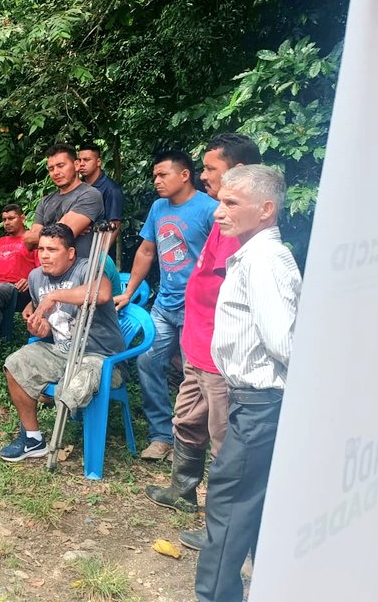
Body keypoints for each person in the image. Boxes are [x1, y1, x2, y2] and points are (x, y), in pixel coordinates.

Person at [142, 135, 261, 542]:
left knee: (224, 437)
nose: (206, 174)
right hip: (196, 341)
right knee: (188, 419)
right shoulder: (222, 217)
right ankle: (182, 490)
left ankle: (224, 529)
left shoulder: (243, 225)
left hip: (219, 348)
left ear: (239, 172)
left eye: (211, 168)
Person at [195, 165, 301, 602]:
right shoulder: (252, 256)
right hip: (255, 402)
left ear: (266, 209)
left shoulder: (262, 261)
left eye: (231, 203)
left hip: (261, 403)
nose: (219, 212)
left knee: (228, 505)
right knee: (251, 506)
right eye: (220, 201)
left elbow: (285, 343)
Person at [114, 150, 217, 461]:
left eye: (163, 175)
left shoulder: (210, 210)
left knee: (194, 376)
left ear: (184, 175)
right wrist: (129, 291)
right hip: (164, 304)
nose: (156, 181)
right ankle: (161, 436)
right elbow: (146, 252)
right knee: (147, 361)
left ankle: (189, 442)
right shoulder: (159, 207)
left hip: (197, 309)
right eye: (155, 175)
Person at [0, 223, 125, 461]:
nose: (45, 256)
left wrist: (55, 296)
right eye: (41, 249)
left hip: (101, 356)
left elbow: (104, 293)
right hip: (62, 351)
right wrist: (41, 327)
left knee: (73, 386)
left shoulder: (86, 268)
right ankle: (32, 439)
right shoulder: (36, 277)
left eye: (53, 250)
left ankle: (76, 437)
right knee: (16, 363)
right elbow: (51, 326)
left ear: (70, 253)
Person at [0, 203, 40, 360]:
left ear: (22, 218)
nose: (7, 222)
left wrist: (29, 279)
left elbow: (42, 269)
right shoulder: (1, 242)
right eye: (4, 219)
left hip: (19, 290)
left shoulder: (31, 240)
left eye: (11, 218)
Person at [24, 143, 104, 258]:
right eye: (51, 169)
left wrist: (48, 234)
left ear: (76, 165)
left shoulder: (89, 195)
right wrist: (64, 231)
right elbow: (28, 241)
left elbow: (59, 237)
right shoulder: (45, 201)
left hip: (81, 270)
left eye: (61, 166)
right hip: (48, 270)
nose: (56, 172)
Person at [76, 145, 124, 232]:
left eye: (86, 160)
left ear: (98, 162)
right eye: (79, 160)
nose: (81, 164)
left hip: (97, 242)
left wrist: (103, 246)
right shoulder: (78, 186)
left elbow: (114, 226)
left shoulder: (111, 189)